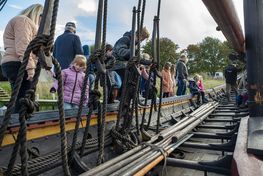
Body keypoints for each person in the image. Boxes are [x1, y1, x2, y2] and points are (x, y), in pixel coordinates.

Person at [1, 4, 43, 113]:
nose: (41, 21)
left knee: (20, 97)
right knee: (23, 99)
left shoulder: (23, 22)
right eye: (41, 17)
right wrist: (30, 68)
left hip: (14, 62)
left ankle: (16, 120)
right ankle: (18, 125)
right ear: (37, 14)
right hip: (18, 63)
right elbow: (23, 47)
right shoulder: (23, 21)